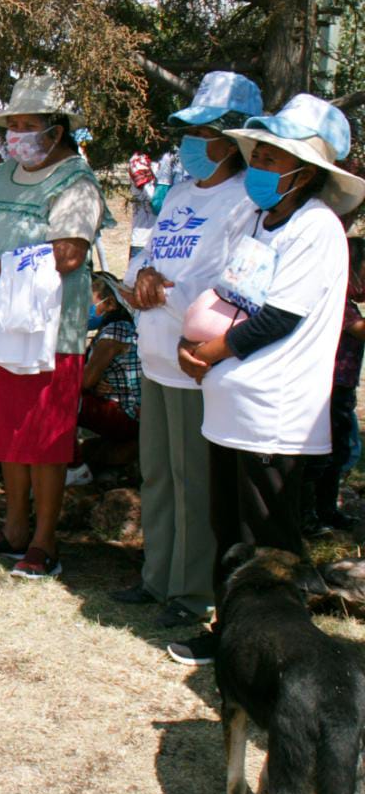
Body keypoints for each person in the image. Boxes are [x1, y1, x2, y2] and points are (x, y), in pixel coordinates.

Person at [168, 93, 364, 666]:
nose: (258, 166)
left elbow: (279, 316)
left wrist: (209, 352)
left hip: (275, 411)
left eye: (273, 160)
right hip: (230, 404)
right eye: (258, 154)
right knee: (229, 533)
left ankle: (279, 651)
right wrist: (195, 344)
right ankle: (230, 632)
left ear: (305, 174)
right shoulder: (258, 217)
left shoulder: (316, 228)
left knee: (267, 542)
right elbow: (232, 293)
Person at [111, 72, 262, 628]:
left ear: (231, 139)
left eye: (204, 131)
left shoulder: (245, 200)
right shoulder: (176, 192)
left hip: (196, 359)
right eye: (189, 130)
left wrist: (165, 291)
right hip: (155, 351)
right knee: (157, 475)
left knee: (193, 481)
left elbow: (233, 282)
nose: (190, 143)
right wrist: (141, 276)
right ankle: (156, 576)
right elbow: (146, 254)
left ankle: (192, 591)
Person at [0, 75, 106, 578]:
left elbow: (69, 253)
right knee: (6, 432)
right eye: (12, 125)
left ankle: (45, 540)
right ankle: (14, 529)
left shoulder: (76, 182)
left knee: (44, 436)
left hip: (45, 330)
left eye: (29, 125)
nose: (18, 134)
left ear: (57, 130)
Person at [304, 236, 365, 534]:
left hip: (341, 388)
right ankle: (310, 515)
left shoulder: (347, 301)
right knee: (322, 456)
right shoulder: (338, 301)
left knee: (337, 452)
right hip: (327, 389)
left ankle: (326, 511)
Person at [66, 273, 140, 487]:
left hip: (125, 414)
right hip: (122, 409)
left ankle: (75, 467)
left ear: (109, 304)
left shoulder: (113, 334)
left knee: (64, 401)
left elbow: (85, 381)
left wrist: (89, 385)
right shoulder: (119, 330)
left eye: (88, 300)